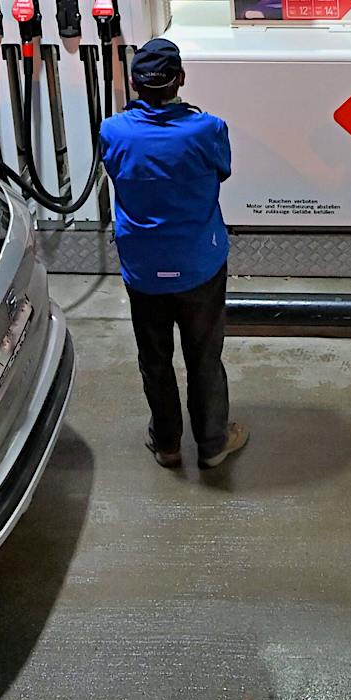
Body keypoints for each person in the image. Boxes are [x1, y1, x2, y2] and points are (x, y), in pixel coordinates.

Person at [98, 38, 247, 471]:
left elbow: (115, 169)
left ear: (133, 83)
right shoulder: (208, 129)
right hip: (198, 264)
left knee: (154, 359)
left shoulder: (113, 131)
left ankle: (166, 444)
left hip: (142, 270)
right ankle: (214, 443)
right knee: (204, 356)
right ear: (180, 79)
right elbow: (224, 169)